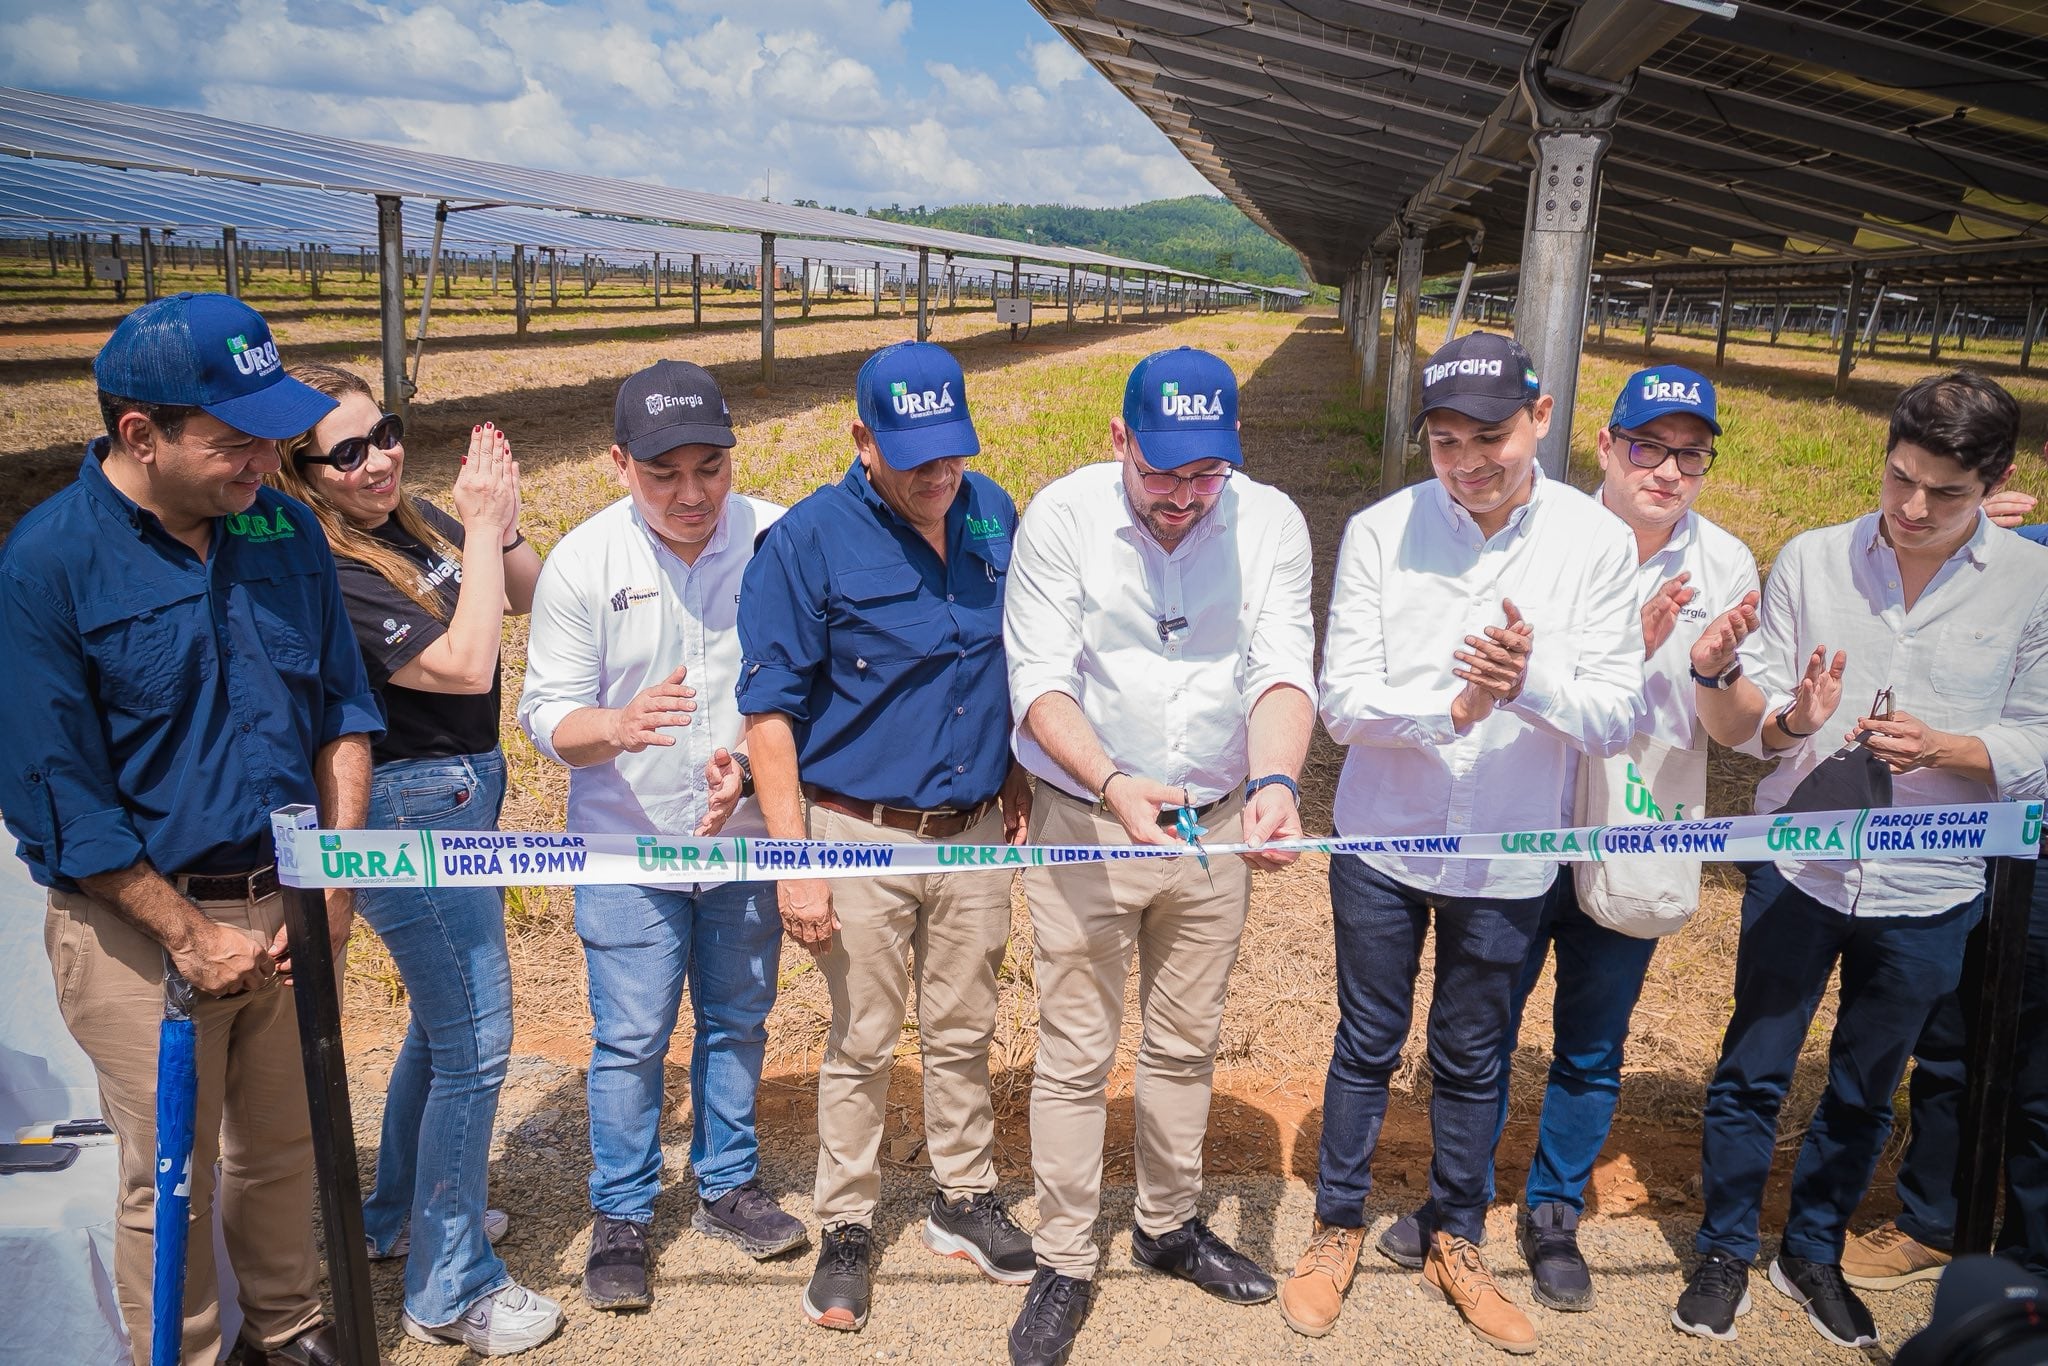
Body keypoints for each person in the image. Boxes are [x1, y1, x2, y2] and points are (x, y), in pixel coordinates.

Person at [0, 292, 383, 1366]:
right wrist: (186, 934)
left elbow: (343, 712)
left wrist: (335, 882)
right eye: (234, 441)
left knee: (284, 1146)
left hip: (291, 903)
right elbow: (55, 793)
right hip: (139, 925)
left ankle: (293, 1329)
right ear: (140, 435)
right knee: (167, 1165)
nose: (266, 460)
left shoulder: (282, 526)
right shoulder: (48, 566)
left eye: (272, 435)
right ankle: (188, 1349)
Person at [1285, 331, 1643, 1355]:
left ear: (1538, 417)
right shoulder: (1377, 531)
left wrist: (1520, 687)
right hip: (1383, 840)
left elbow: (1614, 714)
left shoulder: (1593, 543)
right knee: (1364, 1038)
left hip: (1507, 845)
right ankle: (1335, 1225)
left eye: (1486, 435)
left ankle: (1453, 1233)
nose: (1467, 459)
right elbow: (1343, 701)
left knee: (1473, 1051)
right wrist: (1454, 703)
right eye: (1443, 441)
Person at [1679, 370, 2048, 1350]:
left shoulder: (2030, 584)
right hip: (1797, 868)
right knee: (1752, 1066)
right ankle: (1722, 1248)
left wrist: (1946, 750)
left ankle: (1810, 1250)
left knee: (1862, 1082)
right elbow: (1756, 720)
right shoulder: (1810, 559)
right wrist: (1788, 716)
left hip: (1931, 890)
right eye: (1898, 480)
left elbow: (2038, 737)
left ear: (1999, 481)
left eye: (1945, 494)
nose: (1912, 510)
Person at [998, 345, 1316, 1366]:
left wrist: (1271, 783)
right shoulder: (1061, 519)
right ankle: (1062, 1254)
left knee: (1186, 1037)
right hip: (1088, 816)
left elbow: (1279, 665)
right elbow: (1038, 680)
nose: (1182, 496)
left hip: (1215, 817)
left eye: (1203, 473)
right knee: (1076, 1043)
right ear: (1118, 439)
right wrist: (1107, 782)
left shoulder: (1267, 522)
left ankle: (1166, 1223)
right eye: (1161, 471)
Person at [737, 340, 1035, 1334]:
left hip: (972, 830)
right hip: (855, 834)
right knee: (862, 1037)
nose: (938, 475)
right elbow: (769, 716)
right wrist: (794, 863)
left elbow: (1022, 661)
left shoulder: (992, 511)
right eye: (914, 456)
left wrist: (1020, 776)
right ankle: (849, 1224)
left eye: (952, 451)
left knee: (963, 1023)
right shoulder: (807, 543)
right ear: (860, 438)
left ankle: (961, 1196)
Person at [269, 366, 556, 1355]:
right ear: (301, 471)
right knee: (478, 1036)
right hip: (407, 800)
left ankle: (396, 1213)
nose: (377, 458)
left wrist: (500, 524)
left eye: (383, 433)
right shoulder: (329, 564)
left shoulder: (415, 519)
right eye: (345, 452)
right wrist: (476, 530)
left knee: (443, 1028)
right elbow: (466, 665)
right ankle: (451, 1286)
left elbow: (520, 597)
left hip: (464, 785)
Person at [518, 359, 804, 1312]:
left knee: (739, 1019)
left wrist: (742, 768)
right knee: (634, 1035)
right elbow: (545, 715)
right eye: (663, 474)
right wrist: (618, 726)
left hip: (744, 839)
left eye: (709, 469)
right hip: (622, 847)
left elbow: (802, 686)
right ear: (618, 464)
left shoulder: (777, 539)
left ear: (732, 458)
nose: (691, 495)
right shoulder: (583, 564)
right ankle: (624, 1213)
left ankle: (728, 1184)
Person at [1481, 365, 1758, 1312]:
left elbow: (1729, 734)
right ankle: (1461, 1198)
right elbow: (1503, 675)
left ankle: (1553, 1209)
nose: (1668, 470)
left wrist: (1717, 674)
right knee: (1484, 1027)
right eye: (1649, 447)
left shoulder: (1724, 565)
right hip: (1529, 813)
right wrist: (1626, 653)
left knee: (1593, 1044)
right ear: (1605, 445)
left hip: (1635, 828)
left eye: (1691, 453)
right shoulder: (1540, 533)